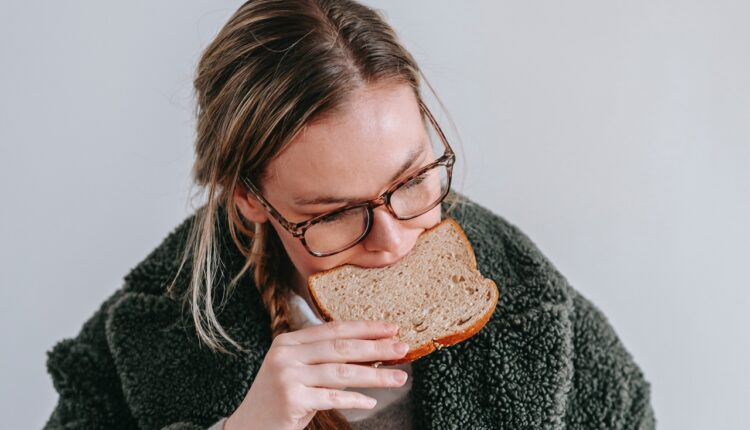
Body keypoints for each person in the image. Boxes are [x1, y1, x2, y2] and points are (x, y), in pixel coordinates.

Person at [43, 1, 656, 429]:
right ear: (249, 197)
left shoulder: (532, 304)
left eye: (413, 179)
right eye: (335, 213)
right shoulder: (147, 329)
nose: (390, 241)